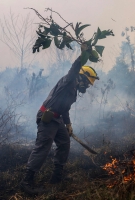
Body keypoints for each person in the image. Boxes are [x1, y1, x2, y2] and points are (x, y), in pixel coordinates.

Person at [20, 44, 99, 195]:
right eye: (87, 83)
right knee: (43, 147)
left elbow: (65, 108)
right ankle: (26, 182)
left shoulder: (73, 91)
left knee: (64, 143)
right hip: (47, 118)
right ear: (81, 77)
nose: (87, 87)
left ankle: (57, 177)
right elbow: (74, 68)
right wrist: (83, 55)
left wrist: (68, 124)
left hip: (57, 119)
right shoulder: (69, 80)